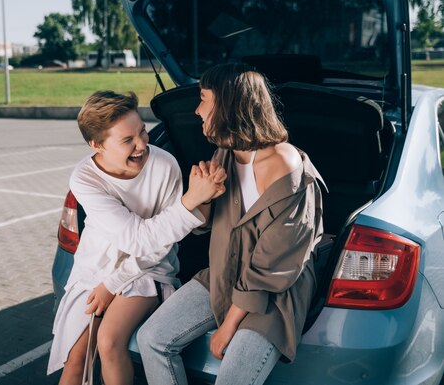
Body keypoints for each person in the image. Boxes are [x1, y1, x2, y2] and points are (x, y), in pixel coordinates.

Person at [137, 64, 326, 385]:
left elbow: (274, 266)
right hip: (222, 273)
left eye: (203, 99)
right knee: (151, 338)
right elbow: (207, 226)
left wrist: (228, 327)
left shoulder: (286, 165)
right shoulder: (224, 154)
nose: (197, 110)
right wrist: (201, 198)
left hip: (274, 294)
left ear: (229, 104)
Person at [47, 90, 226, 385]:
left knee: (108, 341)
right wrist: (191, 199)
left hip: (148, 269)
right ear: (97, 145)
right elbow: (137, 238)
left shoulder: (164, 165)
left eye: (142, 131)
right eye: (127, 140)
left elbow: (158, 245)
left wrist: (112, 285)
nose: (142, 144)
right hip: (97, 270)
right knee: (75, 359)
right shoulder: (85, 177)